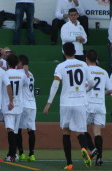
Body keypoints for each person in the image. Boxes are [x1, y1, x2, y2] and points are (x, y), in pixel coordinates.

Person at [43, 42, 93, 170]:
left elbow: (55, 85)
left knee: (66, 131)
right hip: (80, 102)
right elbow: (92, 82)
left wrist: (49, 103)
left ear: (63, 52)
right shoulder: (83, 64)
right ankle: (83, 148)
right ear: (75, 51)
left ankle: (69, 163)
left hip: (66, 102)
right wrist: (84, 89)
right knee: (80, 130)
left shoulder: (61, 66)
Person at [84, 50, 112, 167]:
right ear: (96, 59)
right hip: (100, 104)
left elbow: (85, 86)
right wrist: (102, 93)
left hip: (87, 104)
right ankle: (99, 158)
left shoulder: (85, 70)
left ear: (86, 59)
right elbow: (110, 90)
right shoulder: (104, 72)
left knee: (82, 129)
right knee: (97, 132)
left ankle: (92, 149)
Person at [2, 54, 28, 162]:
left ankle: (12, 155)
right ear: (17, 63)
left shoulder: (5, 73)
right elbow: (26, 84)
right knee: (15, 131)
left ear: (7, 63)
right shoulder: (22, 74)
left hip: (8, 104)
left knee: (10, 130)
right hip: (19, 104)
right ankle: (13, 154)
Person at [16, 54, 37, 162]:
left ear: (21, 63)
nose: (16, 64)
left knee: (18, 129)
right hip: (32, 105)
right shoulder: (31, 74)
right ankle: (32, 154)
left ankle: (21, 153)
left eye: (18, 62)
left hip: (23, 104)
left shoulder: (20, 73)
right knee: (31, 130)